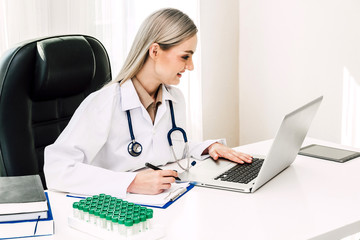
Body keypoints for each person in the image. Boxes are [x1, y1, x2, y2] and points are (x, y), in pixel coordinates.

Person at [44, 8, 252, 198]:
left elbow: (168, 149)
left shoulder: (174, 99)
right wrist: (130, 182)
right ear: (154, 51)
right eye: (185, 57)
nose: (190, 66)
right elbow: (57, 170)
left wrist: (208, 147)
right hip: (112, 210)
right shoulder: (104, 103)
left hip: (163, 203)